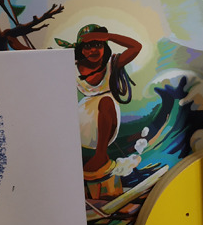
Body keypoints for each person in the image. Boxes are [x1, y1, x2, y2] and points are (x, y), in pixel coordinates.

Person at [57, 24, 142, 181]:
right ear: (81, 49)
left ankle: (101, 155)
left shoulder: (112, 63)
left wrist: (109, 36)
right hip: (84, 114)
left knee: (105, 101)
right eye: (87, 46)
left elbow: (136, 47)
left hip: (106, 115)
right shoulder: (73, 66)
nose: (93, 50)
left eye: (98, 45)